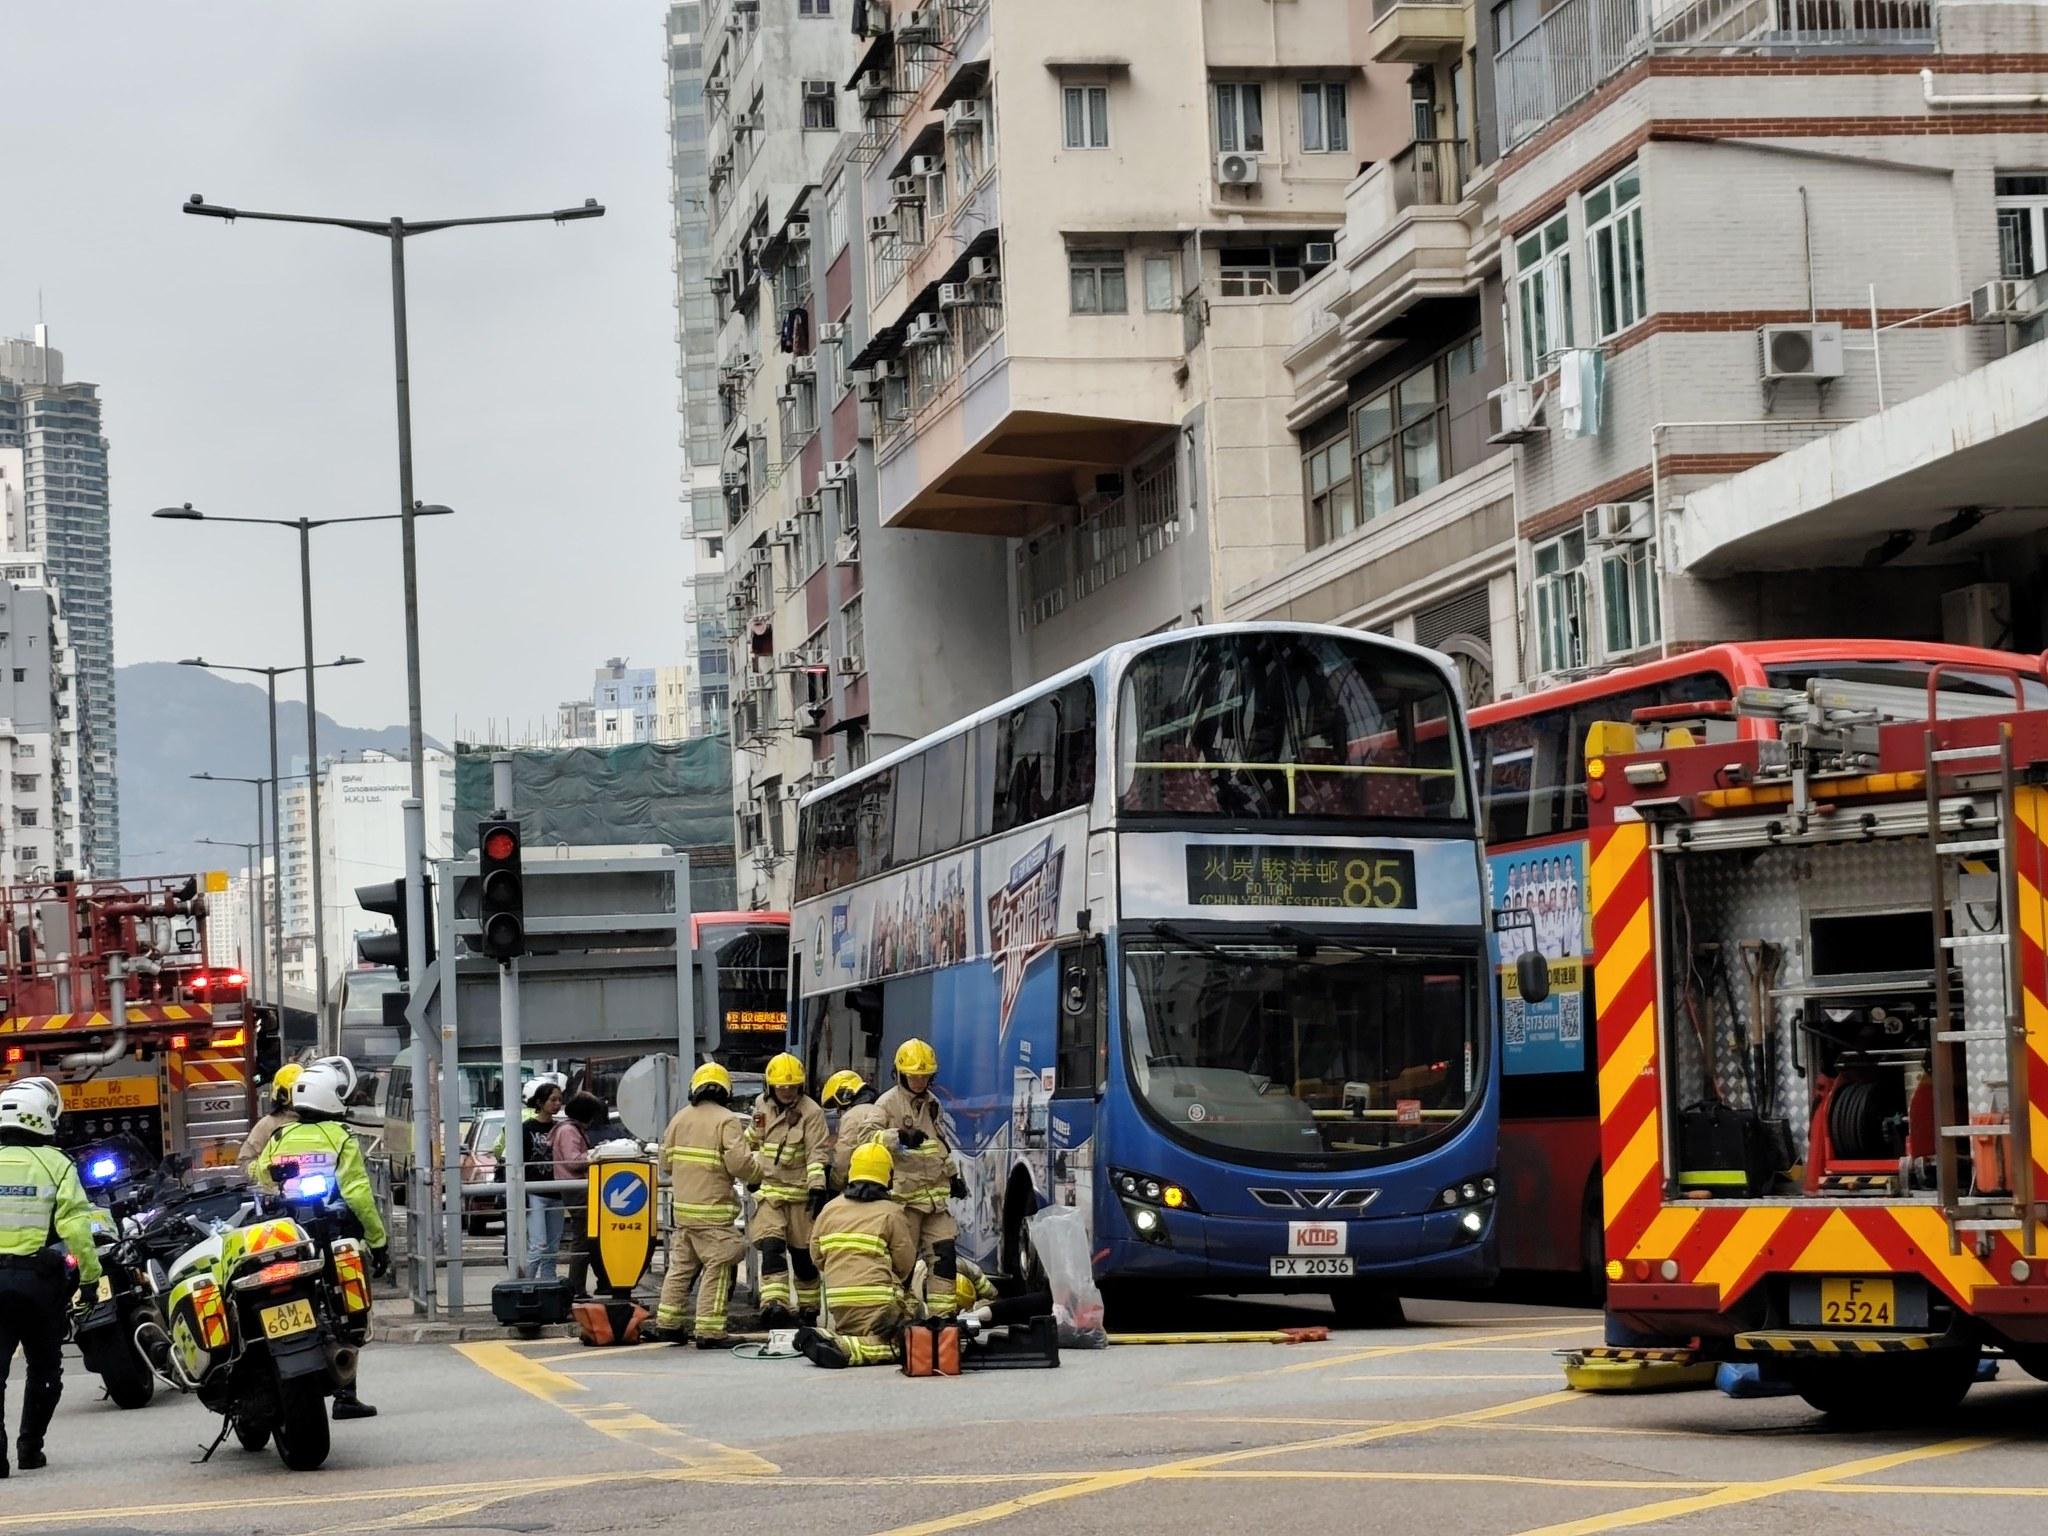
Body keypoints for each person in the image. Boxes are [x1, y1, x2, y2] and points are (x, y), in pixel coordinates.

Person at [254, 1056, 388, 1421]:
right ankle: (346, 1394)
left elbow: (260, 1178)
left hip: (287, 1239)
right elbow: (359, 1192)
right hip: (334, 1235)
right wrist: (378, 1242)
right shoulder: (341, 1136)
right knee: (349, 1309)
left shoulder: (279, 1136)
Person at [0, 1077, 101, 1475]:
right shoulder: (57, 1165)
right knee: (44, 1368)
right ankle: (29, 1449)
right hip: (38, 1285)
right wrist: (91, 1278)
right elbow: (77, 1229)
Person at [650, 1062, 753, 1348]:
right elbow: (740, 1163)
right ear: (725, 1090)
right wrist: (758, 1173)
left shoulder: (679, 1119)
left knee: (681, 1267)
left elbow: (665, 1163)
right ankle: (710, 1330)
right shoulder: (727, 1120)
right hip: (714, 1213)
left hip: (684, 1212)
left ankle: (668, 1324)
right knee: (722, 1261)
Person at [795, 1141, 916, 1369]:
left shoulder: (830, 1208)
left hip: (838, 1299)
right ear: (887, 1176)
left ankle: (827, 1338)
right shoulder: (892, 1213)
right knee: (904, 1345)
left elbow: (816, 1255)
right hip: (878, 1301)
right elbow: (905, 1264)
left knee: (854, 1331)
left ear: (852, 1171)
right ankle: (845, 1348)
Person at [871, 1038, 967, 1319]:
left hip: (934, 1203)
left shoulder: (932, 1104)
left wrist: (953, 1177)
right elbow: (866, 1140)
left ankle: (943, 1319)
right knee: (903, 1264)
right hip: (904, 1203)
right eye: (914, 1076)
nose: (919, 1081)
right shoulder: (887, 1104)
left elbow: (938, 1145)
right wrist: (898, 1137)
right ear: (901, 1074)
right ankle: (897, 1320)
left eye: (924, 1076)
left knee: (945, 1256)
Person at [746, 1053, 830, 1326]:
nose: (786, 1092)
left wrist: (817, 1188)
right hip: (771, 1194)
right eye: (781, 1087)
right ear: (770, 1087)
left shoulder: (811, 1113)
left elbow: (817, 1153)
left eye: (792, 1087)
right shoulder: (762, 1105)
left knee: (803, 1258)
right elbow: (753, 1138)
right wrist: (750, 1169)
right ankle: (775, 1306)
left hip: (800, 1196)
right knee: (772, 1247)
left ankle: (808, 1310)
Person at [552, 1092, 604, 1296]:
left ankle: (601, 1281)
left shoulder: (570, 1129)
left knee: (591, 1237)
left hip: (578, 1188)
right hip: (577, 1189)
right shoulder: (569, 1131)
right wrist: (596, 1155)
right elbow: (573, 1160)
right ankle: (577, 1287)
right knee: (583, 1238)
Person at [520, 1081, 566, 1283]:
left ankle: (548, 1287)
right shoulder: (526, 1128)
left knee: (552, 1247)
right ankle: (525, 1287)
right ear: (540, 1102)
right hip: (535, 1191)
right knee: (538, 1244)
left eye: (559, 1100)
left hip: (557, 1191)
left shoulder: (561, 1128)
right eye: (552, 1100)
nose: (557, 1104)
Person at [237, 1062, 302, 1177]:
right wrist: (268, 1173)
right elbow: (245, 1161)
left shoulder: (323, 1122)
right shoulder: (268, 1125)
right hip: (277, 1191)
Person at [823, 1069, 881, 1188]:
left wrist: (834, 1184)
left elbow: (842, 1161)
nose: (838, 1111)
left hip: (859, 1186)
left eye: (837, 1105)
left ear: (843, 1096)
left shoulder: (852, 1116)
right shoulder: (880, 1107)